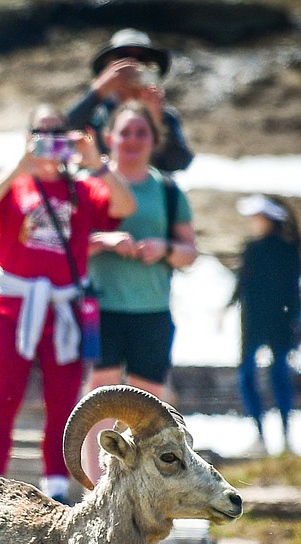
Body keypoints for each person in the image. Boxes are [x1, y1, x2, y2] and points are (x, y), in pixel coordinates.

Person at [0, 105, 135, 503]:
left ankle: (57, 487)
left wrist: (98, 163)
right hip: (13, 305)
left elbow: (124, 208)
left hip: (63, 309)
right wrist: (19, 165)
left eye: (58, 132)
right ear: (28, 136)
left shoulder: (82, 187)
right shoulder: (12, 182)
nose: (49, 140)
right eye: (41, 132)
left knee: (62, 400)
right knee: (3, 396)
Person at [79, 101, 199, 484]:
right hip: (100, 306)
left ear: (154, 140)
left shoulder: (167, 190)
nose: (132, 140)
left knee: (150, 403)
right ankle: (96, 490)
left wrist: (163, 249)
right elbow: (65, 245)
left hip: (152, 310)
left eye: (141, 133)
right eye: (125, 132)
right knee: (100, 399)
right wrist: (106, 241)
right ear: (109, 137)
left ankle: (144, 488)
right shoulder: (88, 182)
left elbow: (190, 252)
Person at [230, 194, 301, 455]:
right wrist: (226, 307)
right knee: (250, 376)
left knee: (278, 375)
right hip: (255, 322)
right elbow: (242, 284)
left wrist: (298, 323)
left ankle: (285, 437)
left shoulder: (288, 250)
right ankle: (261, 436)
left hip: (279, 321)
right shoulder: (253, 248)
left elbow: (294, 290)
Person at [65, 28, 194, 174]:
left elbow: (179, 162)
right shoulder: (95, 115)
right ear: (108, 67)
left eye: (142, 59)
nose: (133, 65)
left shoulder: (166, 115)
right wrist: (98, 91)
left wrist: (156, 124)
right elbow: (61, 134)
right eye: (123, 57)